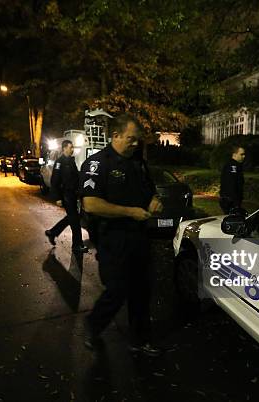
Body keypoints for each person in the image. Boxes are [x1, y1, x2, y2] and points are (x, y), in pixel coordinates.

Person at [80, 113, 163, 357]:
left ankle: (141, 339)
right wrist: (130, 212)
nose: (136, 144)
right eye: (131, 139)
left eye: (138, 140)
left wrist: (155, 201)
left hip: (140, 238)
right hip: (112, 240)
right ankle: (93, 326)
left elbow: (151, 191)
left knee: (141, 290)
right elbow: (91, 204)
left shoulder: (138, 162)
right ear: (115, 135)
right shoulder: (97, 163)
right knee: (117, 290)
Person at [45, 140, 88, 254]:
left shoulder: (71, 161)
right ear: (64, 148)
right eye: (70, 147)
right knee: (75, 220)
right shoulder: (60, 162)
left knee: (71, 217)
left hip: (73, 195)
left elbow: (75, 178)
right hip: (66, 195)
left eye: (72, 147)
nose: (72, 149)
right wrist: (58, 198)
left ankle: (52, 232)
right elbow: (55, 181)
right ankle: (77, 245)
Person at [219, 145, 246, 214]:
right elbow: (231, 184)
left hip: (230, 200)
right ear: (234, 155)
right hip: (230, 201)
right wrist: (235, 202)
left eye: (244, 154)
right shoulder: (232, 166)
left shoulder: (235, 165)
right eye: (241, 154)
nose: (244, 156)